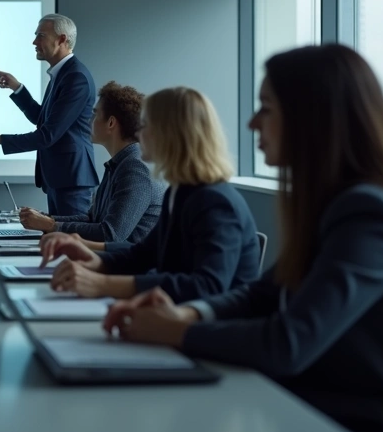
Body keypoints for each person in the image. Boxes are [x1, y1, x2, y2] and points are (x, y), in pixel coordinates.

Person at [100, 45, 383, 432]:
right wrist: (190, 317)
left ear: (314, 118)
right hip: (307, 408)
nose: (252, 123)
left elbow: (288, 343)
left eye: (266, 108)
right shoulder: (336, 205)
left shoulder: (369, 216)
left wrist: (175, 333)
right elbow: (263, 294)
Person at [39, 86, 261, 302]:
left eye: (145, 125)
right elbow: (143, 255)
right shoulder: (181, 191)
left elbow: (207, 286)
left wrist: (101, 283)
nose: (138, 133)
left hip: (205, 332)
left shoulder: (214, 201)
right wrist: (97, 262)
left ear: (170, 134)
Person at [0, 13, 98, 216]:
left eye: (41, 35)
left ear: (62, 39)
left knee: (70, 242)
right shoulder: (62, 74)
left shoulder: (75, 77)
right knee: (60, 241)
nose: (34, 41)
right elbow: (43, 118)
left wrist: (1, 140)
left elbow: (48, 134)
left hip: (72, 180)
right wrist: (18, 88)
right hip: (61, 178)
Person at [18, 81, 164, 243]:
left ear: (111, 123)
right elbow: (93, 219)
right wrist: (45, 218)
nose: (89, 120)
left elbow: (111, 234)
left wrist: (52, 225)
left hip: (129, 267)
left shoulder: (135, 168)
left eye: (95, 114)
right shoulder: (120, 164)